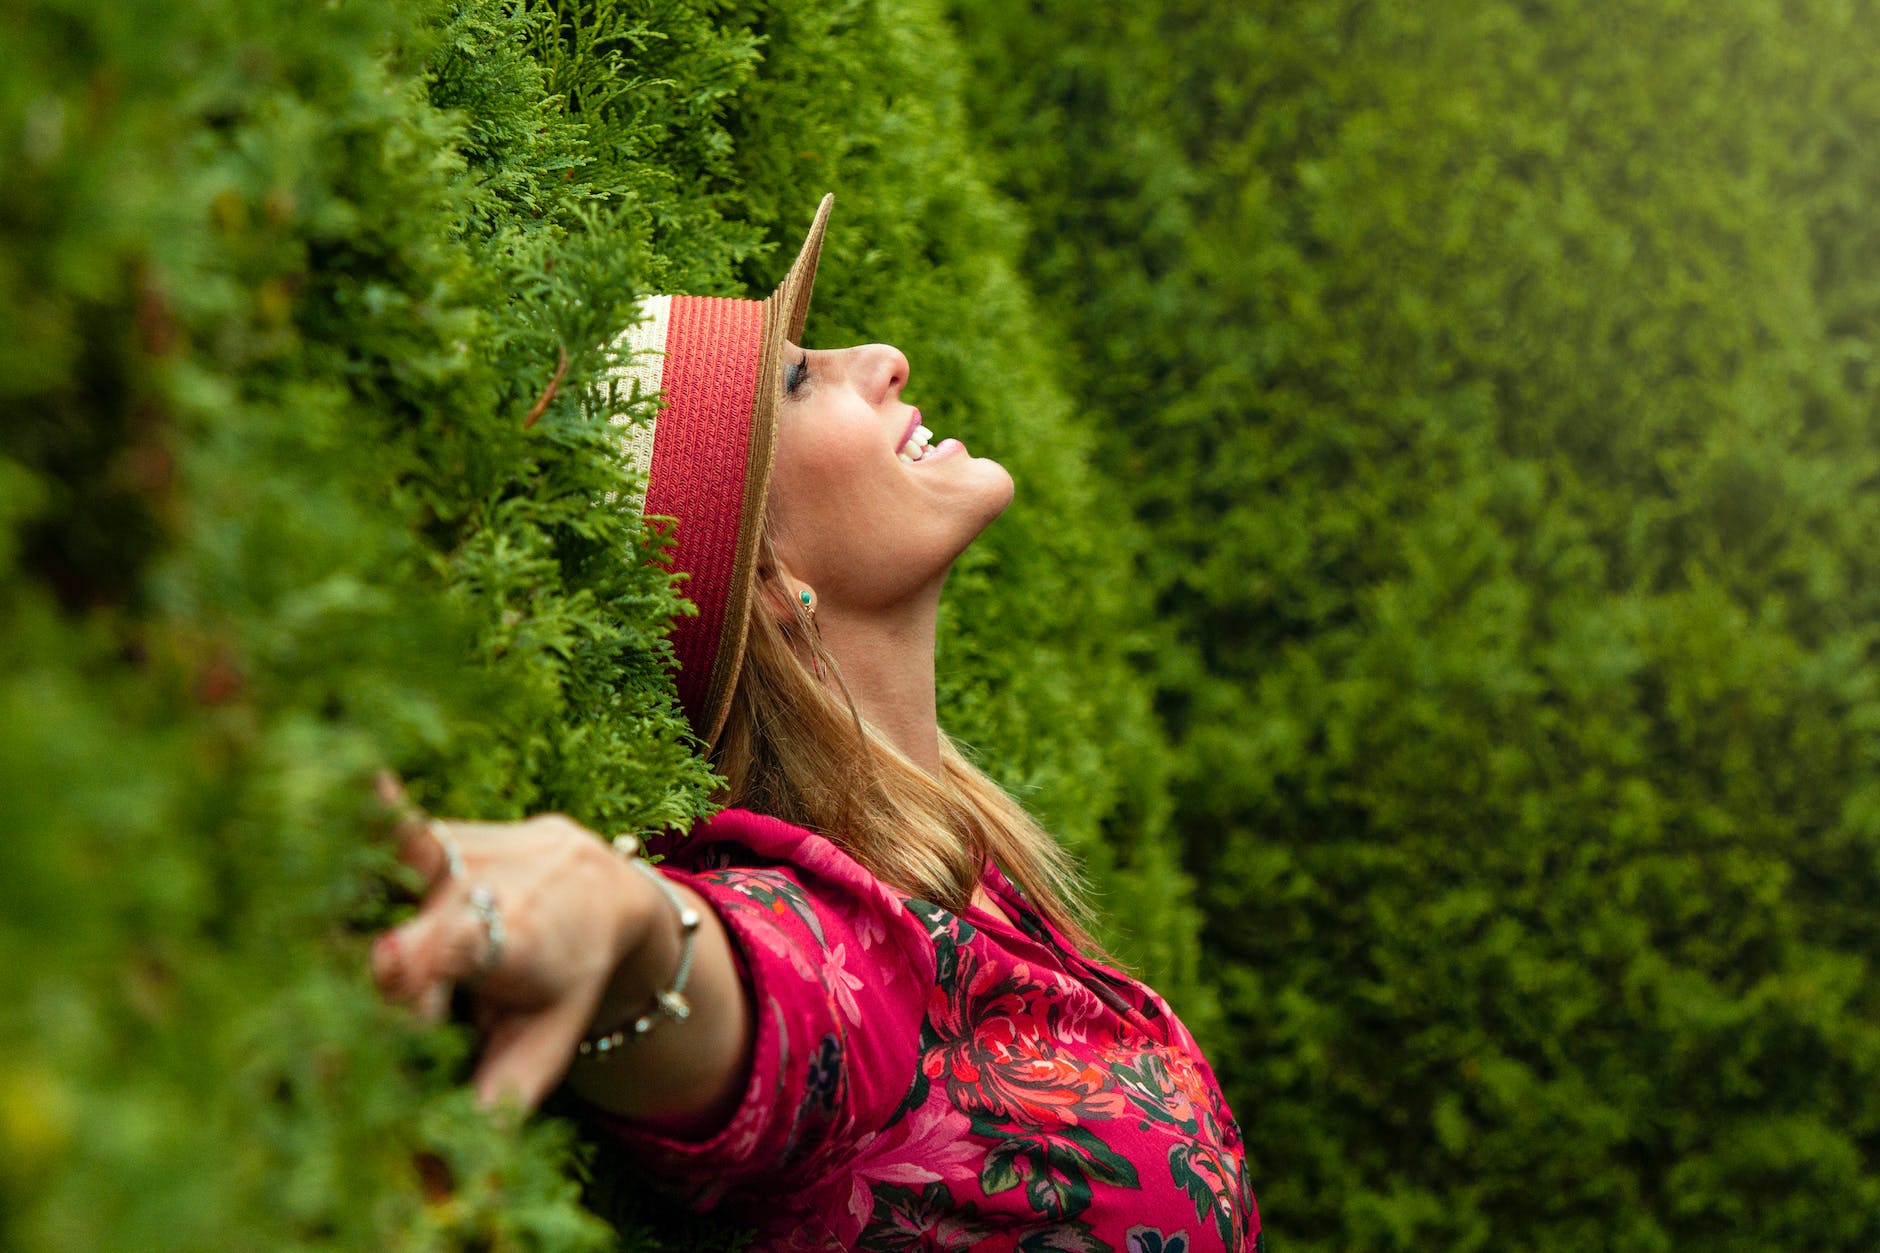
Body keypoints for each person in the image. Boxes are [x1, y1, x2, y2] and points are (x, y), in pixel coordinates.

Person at [369, 196, 1263, 1250]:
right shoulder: (840, 943)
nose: (884, 356)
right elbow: (752, 987)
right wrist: (619, 918)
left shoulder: (965, 870)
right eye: (798, 377)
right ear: (765, 577)